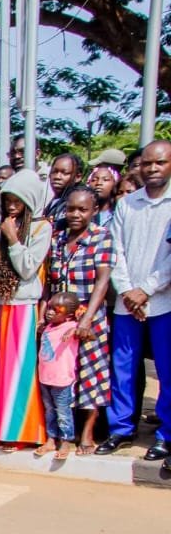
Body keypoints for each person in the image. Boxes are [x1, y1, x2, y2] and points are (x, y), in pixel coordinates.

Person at [95, 140, 171, 465]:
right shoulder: (128, 205)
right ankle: (122, 428)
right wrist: (127, 290)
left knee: (167, 372)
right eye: (147, 164)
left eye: (160, 163)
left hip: (163, 301)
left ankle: (166, 437)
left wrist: (147, 289)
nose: (152, 169)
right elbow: (116, 251)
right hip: (127, 303)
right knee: (122, 368)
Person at [0, 169, 52, 449]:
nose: (12, 205)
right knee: (0, 374)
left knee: (21, 373)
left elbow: (29, 268)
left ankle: (20, 432)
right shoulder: (6, 224)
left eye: (18, 199)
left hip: (23, 306)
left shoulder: (42, 227)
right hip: (2, 304)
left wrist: (14, 239)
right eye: (8, 199)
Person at [46, 187, 113, 453]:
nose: (75, 214)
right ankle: (62, 433)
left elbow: (103, 280)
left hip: (89, 318)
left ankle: (86, 433)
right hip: (59, 321)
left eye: (82, 209)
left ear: (94, 211)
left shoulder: (102, 237)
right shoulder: (58, 239)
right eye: (71, 209)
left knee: (90, 375)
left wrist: (86, 321)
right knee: (59, 376)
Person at [36, 291, 81, 460]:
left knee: (63, 411)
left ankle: (66, 440)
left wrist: (76, 330)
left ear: (69, 315)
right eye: (49, 308)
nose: (50, 312)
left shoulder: (71, 327)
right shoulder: (48, 326)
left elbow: (88, 334)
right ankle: (51, 438)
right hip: (45, 378)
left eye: (57, 310)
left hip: (62, 380)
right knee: (49, 411)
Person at [45, 153, 84, 228]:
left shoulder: (77, 203)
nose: (57, 177)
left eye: (64, 173)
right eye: (54, 172)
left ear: (78, 177)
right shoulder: (53, 200)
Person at [88, 163, 122, 228]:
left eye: (105, 179)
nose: (98, 183)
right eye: (94, 180)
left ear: (115, 183)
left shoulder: (118, 213)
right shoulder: (84, 213)